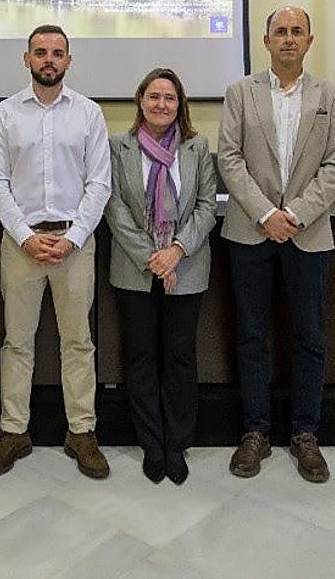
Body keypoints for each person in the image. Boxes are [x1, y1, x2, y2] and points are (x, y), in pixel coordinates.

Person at [217, 5, 335, 484]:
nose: (288, 39)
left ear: (309, 41)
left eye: (297, 32)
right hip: (250, 232)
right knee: (251, 336)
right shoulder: (240, 93)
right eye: (280, 32)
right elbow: (229, 158)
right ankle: (255, 432)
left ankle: (305, 435)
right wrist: (266, 214)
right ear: (266, 41)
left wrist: (293, 214)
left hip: (308, 234)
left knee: (309, 339)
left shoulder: (329, 96)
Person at [0, 25, 112, 479]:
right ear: (27, 59)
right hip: (21, 244)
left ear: (69, 61)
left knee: (78, 342)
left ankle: (82, 432)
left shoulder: (89, 114)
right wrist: (25, 235)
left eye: (57, 53)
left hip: (75, 244)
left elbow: (99, 183)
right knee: (17, 342)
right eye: (41, 53)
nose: (49, 60)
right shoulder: (5, 114)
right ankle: (14, 432)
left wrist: (73, 237)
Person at [105, 68, 217, 485]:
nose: (161, 105)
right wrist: (151, 255)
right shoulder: (119, 147)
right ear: (140, 101)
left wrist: (175, 251)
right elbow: (113, 206)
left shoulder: (196, 147)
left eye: (169, 98)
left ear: (180, 104)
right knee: (139, 357)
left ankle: (176, 444)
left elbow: (206, 206)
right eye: (154, 96)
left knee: (180, 357)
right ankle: (152, 443)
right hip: (135, 268)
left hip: (185, 267)